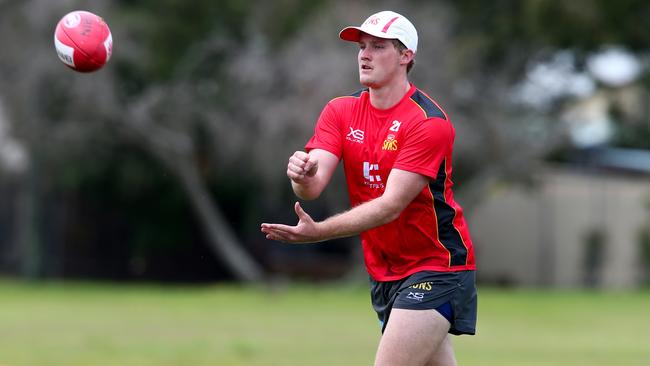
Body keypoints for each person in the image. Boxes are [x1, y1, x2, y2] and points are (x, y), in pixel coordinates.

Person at [261, 10, 477, 366]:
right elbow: (313, 187)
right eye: (362, 46)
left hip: (437, 266)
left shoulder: (427, 123)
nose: (364, 54)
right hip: (384, 270)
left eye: (378, 46)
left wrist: (319, 233)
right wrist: (300, 176)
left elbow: (391, 205)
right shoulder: (340, 111)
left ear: (406, 55)